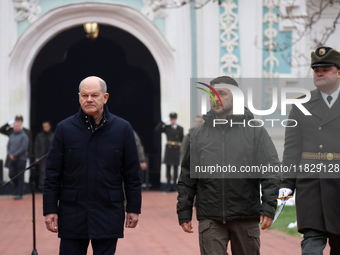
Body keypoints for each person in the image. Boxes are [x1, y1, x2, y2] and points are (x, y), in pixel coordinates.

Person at [177, 76, 280, 255]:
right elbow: (187, 175)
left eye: (222, 94)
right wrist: (184, 211)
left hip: (246, 215)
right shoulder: (199, 135)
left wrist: (269, 206)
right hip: (210, 217)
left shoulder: (255, 131)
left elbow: (270, 169)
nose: (215, 98)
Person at [43, 76, 141, 255]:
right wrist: (50, 209)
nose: (89, 99)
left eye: (94, 95)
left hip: (108, 211)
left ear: (105, 97)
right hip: (72, 213)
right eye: (84, 95)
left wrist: (134, 208)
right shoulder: (65, 129)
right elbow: (52, 174)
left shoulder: (122, 129)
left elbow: (132, 174)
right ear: (79, 97)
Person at [280, 47, 340, 254]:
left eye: (326, 68)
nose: (320, 73)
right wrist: (286, 184)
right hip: (311, 186)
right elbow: (292, 149)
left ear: (339, 72)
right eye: (316, 70)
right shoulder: (301, 104)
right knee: (311, 245)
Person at [155, 112, 184, 192]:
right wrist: (164, 121)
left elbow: (182, 139)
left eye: (174, 119)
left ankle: (174, 185)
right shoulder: (167, 127)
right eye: (171, 119)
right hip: (169, 149)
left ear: (176, 119)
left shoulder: (180, 128)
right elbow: (157, 130)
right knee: (168, 168)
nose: (172, 120)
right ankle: (168, 185)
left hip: (176, 149)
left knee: (175, 169)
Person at [5, 117, 29, 199]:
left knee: (20, 175)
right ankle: (18, 187)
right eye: (14, 126)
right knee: (11, 174)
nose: (15, 127)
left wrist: (15, 155)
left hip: (21, 159)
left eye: (16, 126)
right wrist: (10, 154)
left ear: (20, 126)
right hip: (12, 158)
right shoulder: (11, 135)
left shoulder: (24, 136)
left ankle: (20, 193)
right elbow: (8, 146)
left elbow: (23, 148)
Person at [34, 120, 54, 190]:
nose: (45, 128)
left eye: (46, 126)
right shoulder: (39, 136)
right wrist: (36, 157)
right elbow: (36, 147)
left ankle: (51, 186)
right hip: (42, 156)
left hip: (52, 157)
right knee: (42, 171)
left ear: (50, 126)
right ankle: (42, 185)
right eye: (44, 126)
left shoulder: (53, 136)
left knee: (52, 171)